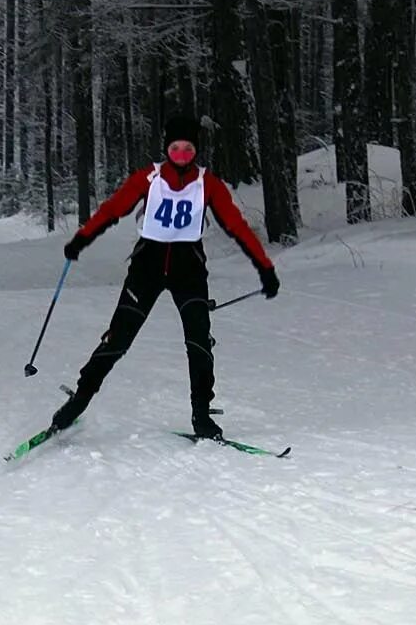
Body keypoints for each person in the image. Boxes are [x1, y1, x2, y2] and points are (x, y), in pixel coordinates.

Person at [49, 113, 280, 440]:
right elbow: (113, 209)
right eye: (176, 148)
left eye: (188, 148)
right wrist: (82, 239)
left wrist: (264, 267)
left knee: (199, 342)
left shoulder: (207, 183)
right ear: (166, 149)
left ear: (195, 151)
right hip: (147, 266)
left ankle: (202, 417)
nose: (182, 154)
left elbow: (236, 226)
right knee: (118, 338)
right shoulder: (149, 178)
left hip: (189, 269)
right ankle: (78, 401)